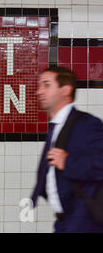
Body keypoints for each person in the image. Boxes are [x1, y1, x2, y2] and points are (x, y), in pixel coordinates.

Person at [31, 66, 103, 233]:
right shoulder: (56, 127)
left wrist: (68, 162)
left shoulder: (86, 124)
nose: (39, 91)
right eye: (39, 85)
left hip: (85, 222)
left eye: (47, 85)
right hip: (64, 221)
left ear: (65, 90)